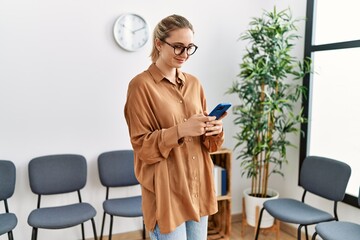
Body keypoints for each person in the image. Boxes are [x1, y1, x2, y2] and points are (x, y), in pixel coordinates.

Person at [124, 14, 227, 240]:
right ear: (159, 44)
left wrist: (214, 130)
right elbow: (142, 146)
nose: (185, 55)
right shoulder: (140, 86)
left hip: (198, 187)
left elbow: (208, 145)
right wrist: (181, 130)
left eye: (190, 48)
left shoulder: (194, 84)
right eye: (178, 47)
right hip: (166, 192)